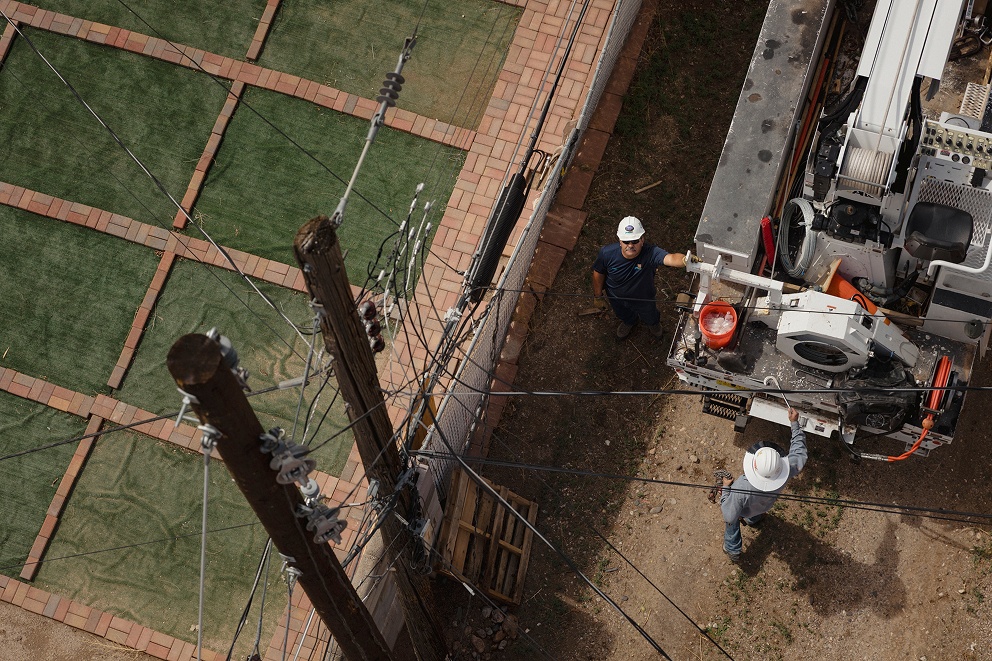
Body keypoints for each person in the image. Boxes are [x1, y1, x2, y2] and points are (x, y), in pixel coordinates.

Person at [720, 407, 808, 562]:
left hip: (746, 506)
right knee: (755, 510)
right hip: (764, 505)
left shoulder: (742, 487)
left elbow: (729, 515)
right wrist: (794, 424)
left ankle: (733, 549)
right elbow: (799, 452)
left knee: (732, 523)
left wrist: (726, 487)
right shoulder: (786, 471)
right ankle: (753, 520)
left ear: (754, 466)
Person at [591, 216, 692, 339]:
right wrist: (598, 296)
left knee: (650, 315)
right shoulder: (606, 253)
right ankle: (629, 322)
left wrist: (685, 260)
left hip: (644, 299)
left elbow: (671, 258)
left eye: (635, 241)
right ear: (619, 241)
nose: (630, 245)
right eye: (626, 241)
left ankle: (653, 325)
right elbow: (598, 272)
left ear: (642, 240)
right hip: (616, 297)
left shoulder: (651, 253)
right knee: (622, 313)